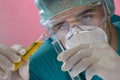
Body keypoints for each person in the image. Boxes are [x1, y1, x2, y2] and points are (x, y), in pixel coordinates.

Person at [0, 0, 120, 80]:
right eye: (61, 26)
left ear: (107, 12)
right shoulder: (42, 64)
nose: (77, 32)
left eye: (87, 17)